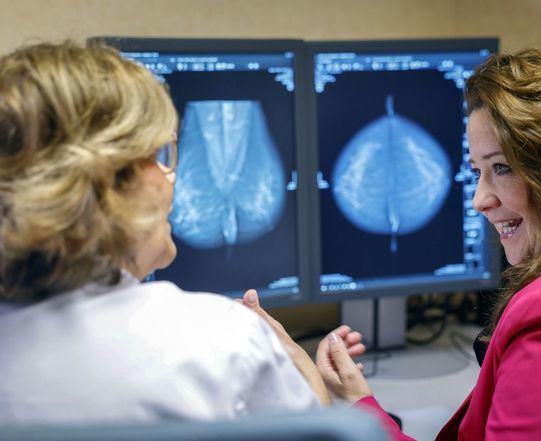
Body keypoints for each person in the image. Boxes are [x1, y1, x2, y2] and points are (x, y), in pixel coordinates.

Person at [249, 49, 541, 440]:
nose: (479, 200)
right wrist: (357, 404)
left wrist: (314, 397)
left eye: (502, 168)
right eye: (477, 171)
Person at [0, 41, 351, 426]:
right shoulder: (223, 342)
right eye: (160, 154)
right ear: (113, 184)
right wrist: (303, 368)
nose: (173, 177)